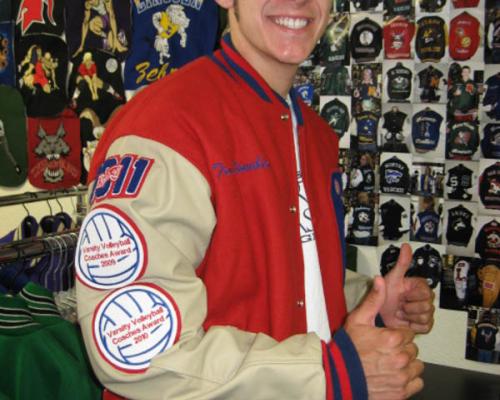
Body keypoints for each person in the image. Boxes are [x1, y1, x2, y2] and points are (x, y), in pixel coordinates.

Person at [76, 1, 434, 399]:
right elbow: (137, 350)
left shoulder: (315, 135)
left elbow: (283, 276)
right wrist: (332, 373)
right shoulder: (164, 128)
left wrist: (369, 302)